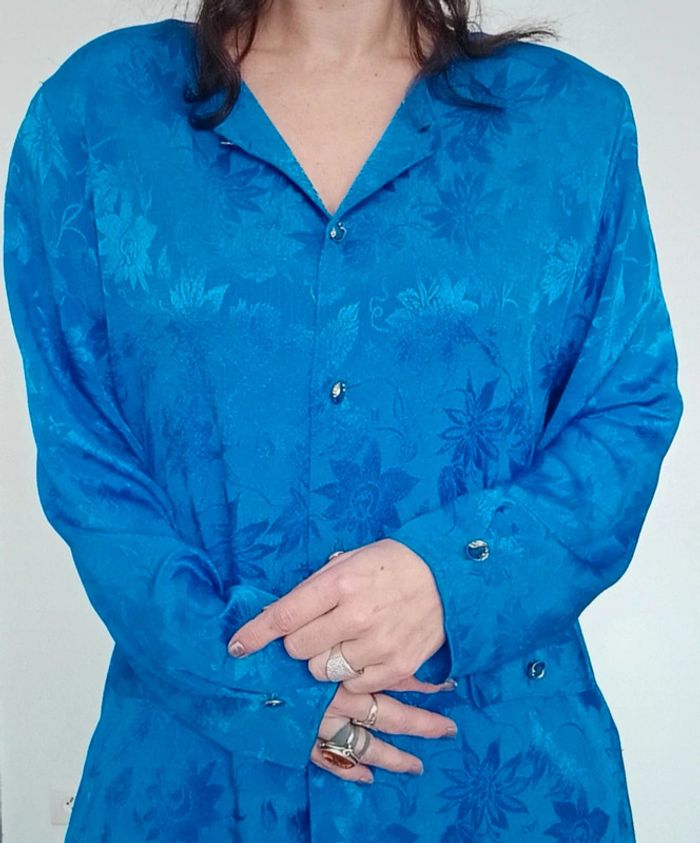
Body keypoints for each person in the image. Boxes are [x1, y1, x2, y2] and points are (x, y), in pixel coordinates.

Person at [2, 1, 683, 841]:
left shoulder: (573, 124)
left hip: (499, 776)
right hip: (196, 782)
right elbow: (84, 452)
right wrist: (259, 685)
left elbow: (626, 407)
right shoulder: (97, 114)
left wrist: (453, 577)